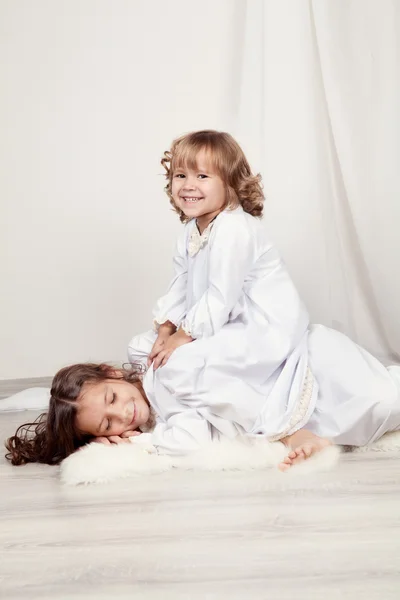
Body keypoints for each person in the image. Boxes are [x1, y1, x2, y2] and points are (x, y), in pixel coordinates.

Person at [5, 130, 400, 471]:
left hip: (266, 327)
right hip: (230, 325)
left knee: (178, 363)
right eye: (180, 175)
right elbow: (181, 282)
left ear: (230, 183)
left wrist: (184, 335)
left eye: (202, 175)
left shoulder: (233, 229)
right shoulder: (192, 230)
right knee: (148, 348)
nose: (188, 184)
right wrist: (165, 328)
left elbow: (222, 295)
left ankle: (290, 430)